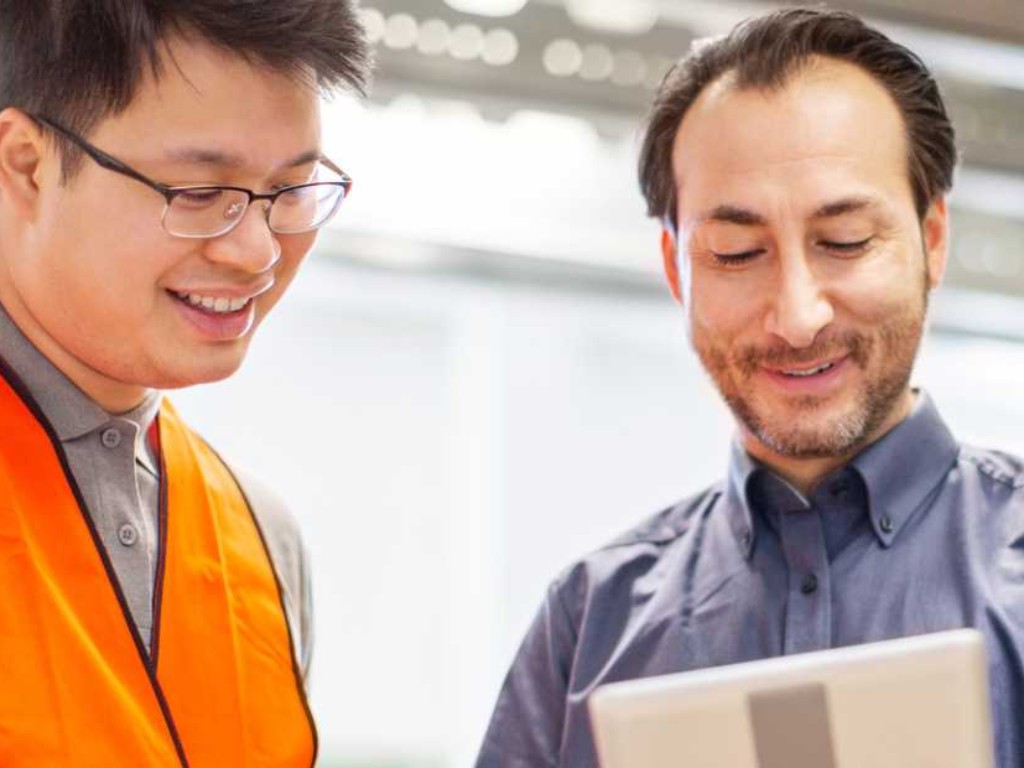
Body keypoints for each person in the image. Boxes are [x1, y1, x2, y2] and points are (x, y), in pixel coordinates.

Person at [476, 7, 1024, 767]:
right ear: (676, 271)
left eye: (845, 242)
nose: (798, 317)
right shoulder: (588, 622)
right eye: (736, 253)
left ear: (931, 241)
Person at [0, 2, 369, 765]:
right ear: (27, 163)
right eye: (199, 195)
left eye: (290, 191)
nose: (257, 250)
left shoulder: (262, 539)